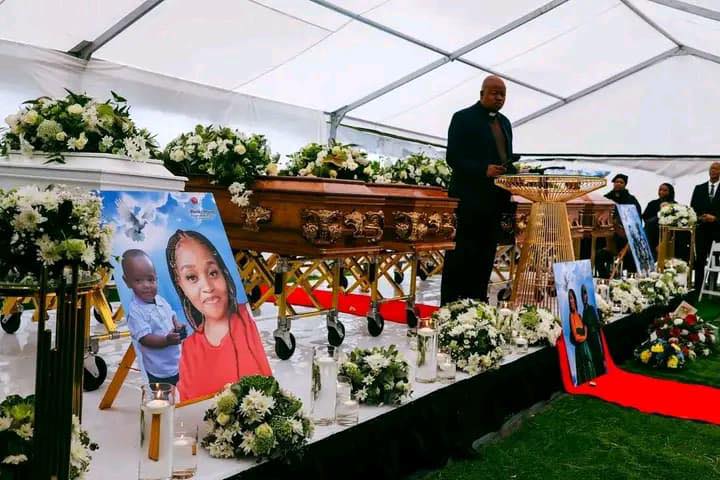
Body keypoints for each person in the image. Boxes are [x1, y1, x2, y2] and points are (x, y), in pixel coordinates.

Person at [166, 230, 272, 401]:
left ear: (223, 272)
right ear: (180, 285)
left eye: (213, 273)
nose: (208, 287)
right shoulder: (189, 350)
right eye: (192, 277)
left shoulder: (246, 322)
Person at [441, 75, 515, 305]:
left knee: (485, 257)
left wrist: (513, 172)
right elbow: (453, 157)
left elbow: (505, 157)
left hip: (494, 202)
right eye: (494, 93)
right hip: (468, 200)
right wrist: (484, 169)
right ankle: (452, 305)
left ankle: (478, 304)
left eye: (502, 94)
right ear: (482, 94)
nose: (499, 97)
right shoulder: (463, 118)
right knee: (461, 255)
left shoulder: (505, 123)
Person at [122, 249, 185, 385]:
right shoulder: (135, 311)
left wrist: (177, 325)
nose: (146, 286)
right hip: (159, 370)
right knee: (163, 394)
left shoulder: (160, 300)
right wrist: (166, 340)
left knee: (181, 391)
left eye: (150, 280)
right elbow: (145, 338)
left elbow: (171, 315)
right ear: (127, 282)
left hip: (176, 362)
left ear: (156, 278)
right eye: (138, 281)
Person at [690, 162, 720, 292]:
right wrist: (699, 218)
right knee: (700, 259)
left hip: (717, 232)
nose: (713, 171)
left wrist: (715, 219)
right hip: (701, 231)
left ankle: (712, 287)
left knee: (715, 260)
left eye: (716, 169)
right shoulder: (699, 188)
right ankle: (698, 287)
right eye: (711, 168)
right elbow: (692, 208)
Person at [604, 174, 642, 272]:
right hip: (608, 233)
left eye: (621, 182)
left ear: (625, 185)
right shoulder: (606, 198)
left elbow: (636, 217)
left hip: (625, 234)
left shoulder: (631, 199)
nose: (618, 184)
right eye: (616, 182)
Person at [568, 288, 596, 385]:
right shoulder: (571, 316)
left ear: (575, 299)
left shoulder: (579, 315)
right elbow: (577, 337)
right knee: (585, 370)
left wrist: (584, 332)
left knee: (590, 367)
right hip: (581, 347)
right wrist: (585, 334)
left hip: (585, 346)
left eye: (572, 298)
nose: (571, 301)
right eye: (569, 298)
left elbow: (581, 331)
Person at [642, 183, 675, 259]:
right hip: (652, 235)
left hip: (668, 237)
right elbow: (645, 217)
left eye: (665, 190)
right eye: (660, 190)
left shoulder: (675, 205)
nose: (661, 192)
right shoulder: (652, 203)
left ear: (670, 192)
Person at [580, 284, 605, 376]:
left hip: (594, 335)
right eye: (583, 294)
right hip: (588, 338)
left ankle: (601, 372)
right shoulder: (583, 310)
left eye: (585, 293)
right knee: (592, 358)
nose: (584, 296)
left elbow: (594, 322)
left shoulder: (590, 308)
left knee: (597, 355)